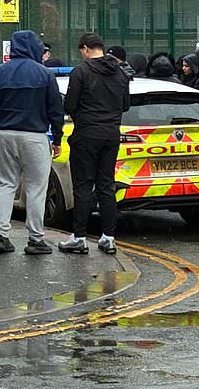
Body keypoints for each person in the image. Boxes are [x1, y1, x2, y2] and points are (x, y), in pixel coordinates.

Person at [0, 30, 65, 256]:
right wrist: (57, 138)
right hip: (35, 135)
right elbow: (55, 109)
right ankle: (35, 238)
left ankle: (1, 235)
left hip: (6, 134)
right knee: (37, 187)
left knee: (5, 185)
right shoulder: (44, 74)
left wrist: (3, 117)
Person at [59, 33, 130, 256]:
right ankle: (108, 237)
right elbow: (126, 105)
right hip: (111, 134)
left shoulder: (81, 71)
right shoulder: (120, 73)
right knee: (106, 185)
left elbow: (69, 105)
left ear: (86, 48)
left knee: (82, 186)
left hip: (87, 133)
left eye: (81, 51)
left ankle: (79, 237)